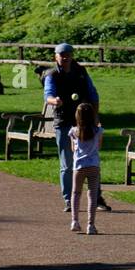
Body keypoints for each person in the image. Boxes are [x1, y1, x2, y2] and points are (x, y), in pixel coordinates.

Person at [43, 44, 110, 214]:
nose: (65, 58)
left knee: (92, 160)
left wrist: (95, 117)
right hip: (64, 122)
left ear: (72, 56)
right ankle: (69, 200)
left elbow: (93, 94)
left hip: (85, 122)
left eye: (68, 55)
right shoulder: (52, 75)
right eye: (62, 55)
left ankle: (96, 198)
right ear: (55, 57)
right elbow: (48, 95)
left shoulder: (81, 72)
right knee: (67, 164)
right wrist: (54, 100)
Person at [69, 101, 103, 235]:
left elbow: (73, 149)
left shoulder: (73, 131)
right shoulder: (98, 130)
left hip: (79, 166)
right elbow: (99, 147)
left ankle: (75, 221)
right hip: (93, 165)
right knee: (92, 195)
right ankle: (91, 225)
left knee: (76, 193)